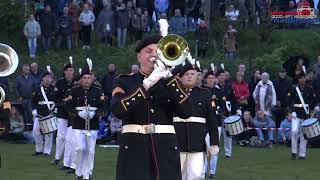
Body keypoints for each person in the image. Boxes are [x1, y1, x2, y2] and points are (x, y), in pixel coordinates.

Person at [110, 34, 191, 180]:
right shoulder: (124, 81)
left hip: (165, 149)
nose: (154, 55)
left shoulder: (171, 83)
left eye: (158, 52)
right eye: (149, 51)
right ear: (139, 57)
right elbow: (117, 110)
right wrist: (146, 85)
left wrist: (171, 80)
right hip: (134, 149)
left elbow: (187, 112)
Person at [173, 63, 219, 180]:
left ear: (197, 76)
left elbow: (212, 120)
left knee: (197, 175)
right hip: (177, 143)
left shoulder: (205, 94)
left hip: (197, 144)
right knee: (177, 175)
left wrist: (214, 143)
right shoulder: (174, 93)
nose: (189, 77)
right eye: (186, 74)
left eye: (192, 74)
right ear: (181, 77)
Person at [66, 63, 105, 180]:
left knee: (91, 151)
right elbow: (68, 106)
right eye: (84, 78)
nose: (87, 80)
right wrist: (77, 113)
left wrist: (96, 114)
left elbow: (103, 106)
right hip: (78, 124)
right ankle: (78, 172)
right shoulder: (74, 91)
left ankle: (87, 173)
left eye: (89, 78)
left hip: (92, 124)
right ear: (81, 79)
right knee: (80, 149)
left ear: (92, 79)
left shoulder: (98, 91)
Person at [51, 60, 75, 168]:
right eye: (68, 70)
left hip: (72, 113)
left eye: (71, 70)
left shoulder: (77, 82)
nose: (69, 72)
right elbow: (55, 97)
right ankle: (57, 157)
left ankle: (68, 160)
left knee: (70, 138)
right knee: (61, 136)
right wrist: (63, 103)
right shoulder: (60, 82)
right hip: (61, 111)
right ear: (64, 72)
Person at [287, 73, 316, 160]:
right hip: (295, 113)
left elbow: (313, 101)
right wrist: (289, 112)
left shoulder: (310, 89)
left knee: (304, 135)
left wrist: (311, 111)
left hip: (306, 113)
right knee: (294, 132)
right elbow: (288, 100)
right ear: (298, 79)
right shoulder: (294, 89)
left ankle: (302, 154)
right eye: (300, 78)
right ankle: (293, 152)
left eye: (303, 78)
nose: (302, 80)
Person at [31, 69, 56, 156]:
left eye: (49, 77)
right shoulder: (38, 89)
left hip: (49, 113)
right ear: (42, 79)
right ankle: (39, 149)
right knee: (36, 131)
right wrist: (34, 110)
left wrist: (55, 110)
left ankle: (47, 151)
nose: (47, 79)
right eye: (45, 77)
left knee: (49, 133)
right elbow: (33, 101)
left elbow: (57, 101)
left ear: (51, 79)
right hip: (39, 113)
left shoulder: (54, 90)